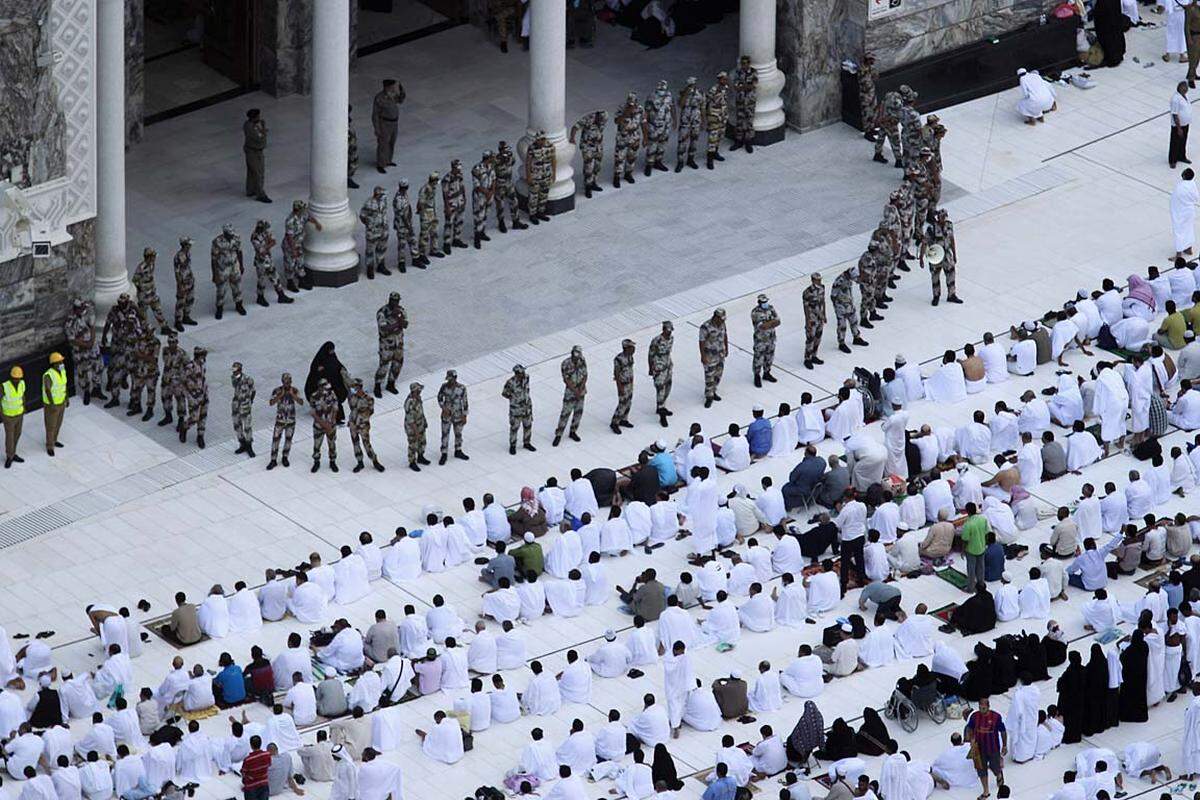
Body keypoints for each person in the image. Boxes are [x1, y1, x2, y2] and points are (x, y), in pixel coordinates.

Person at [964, 697, 1007, 797]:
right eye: (980, 707)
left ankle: (999, 775)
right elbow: (969, 728)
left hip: (993, 749)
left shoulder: (996, 717)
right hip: (979, 749)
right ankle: (986, 791)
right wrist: (971, 739)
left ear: (988, 707)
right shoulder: (975, 716)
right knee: (981, 770)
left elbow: (1003, 731)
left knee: (995, 767)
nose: (981, 710)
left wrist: (1004, 745)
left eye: (983, 708)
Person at [371, 79, 403, 172]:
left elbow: (401, 99)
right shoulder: (379, 98)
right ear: (386, 87)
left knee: (391, 142)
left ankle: (388, 160)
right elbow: (375, 114)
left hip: (394, 123)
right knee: (383, 144)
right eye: (391, 86)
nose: (393, 88)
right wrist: (377, 128)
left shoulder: (393, 95)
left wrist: (400, 88)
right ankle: (381, 164)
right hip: (385, 123)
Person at [243, 109, 270, 202]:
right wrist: (263, 132)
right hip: (252, 151)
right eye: (257, 116)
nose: (259, 118)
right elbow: (258, 138)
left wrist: (262, 130)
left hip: (259, 151)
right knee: (257, 173)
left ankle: (251, 190)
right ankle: (260, 194)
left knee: (254, 171)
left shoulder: (260, 123)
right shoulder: (249, 127)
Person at [2, 366, 24, 468]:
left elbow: (22, 395)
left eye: (18, 378)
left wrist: (24, 406)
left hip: (19, 414)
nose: (17, 380)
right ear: (11, 377)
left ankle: (13, 453)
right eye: (15, 378)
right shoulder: (4, 386)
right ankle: (9, 457)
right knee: (10, 437)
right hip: (9, 416)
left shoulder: (22, 384)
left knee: (17, 434)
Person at [1174, 168, 1200, 260]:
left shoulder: (1180, 186)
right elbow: (1196, 198)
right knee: (1189, 229)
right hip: (1190, 211)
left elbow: (1177, 199)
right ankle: (1188, 248)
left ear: (1184, 175)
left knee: (1179, 231)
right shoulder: (1192, 184)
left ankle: (1179, 253)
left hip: (1181, 212)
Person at [1174, 82, 1193, 169]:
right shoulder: (1175, 99)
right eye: (1184, 87)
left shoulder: (1185, 97)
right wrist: (1178, 128)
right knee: (1175, 142)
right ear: (1180, 88)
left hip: (1185, 124)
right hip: (1178, 125)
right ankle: (1172, 160)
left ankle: (1181, 156)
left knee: (1183, 141)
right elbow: (1175, 114)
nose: (1186, 89)